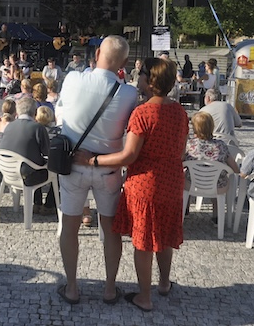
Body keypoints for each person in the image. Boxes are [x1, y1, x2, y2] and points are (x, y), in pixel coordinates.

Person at [76, 57, 188, 312]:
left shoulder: (143, 112)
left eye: (141, 75)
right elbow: (180, 151)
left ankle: (144, 297)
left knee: (144, 241)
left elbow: (128, 156)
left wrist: (93, 160)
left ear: (150, 81)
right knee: (164, 237)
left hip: (146, 184)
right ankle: (163, 284)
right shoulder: (180, 112)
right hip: (172, 180)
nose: (138, 78)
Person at [55, 35, 138, 305]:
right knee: (111, 231)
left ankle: (72, 288)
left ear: (98, 51)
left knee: (69, 228)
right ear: (124, 63)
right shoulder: (128, 93)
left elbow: (64, 112)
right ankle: (110, 289)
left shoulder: (73, 79)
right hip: (107, 167)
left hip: (73, 165)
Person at [0, 97, 53, 214]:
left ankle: (37, 203)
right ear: (35, 113)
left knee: (34, 163)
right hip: (28, 176)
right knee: (55, 169)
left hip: (8, 173)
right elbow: (47, 153)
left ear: (17, 112)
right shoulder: (38, 128)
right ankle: (49, 205)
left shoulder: (9, 126)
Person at [183, 112, 240, 221]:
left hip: (192, 183)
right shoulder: (221, 145)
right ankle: (216, 215)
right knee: (218, 177)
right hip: (216, 186)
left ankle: (185, 208)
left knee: (188, 174)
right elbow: (235, 168)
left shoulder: (189, 145)